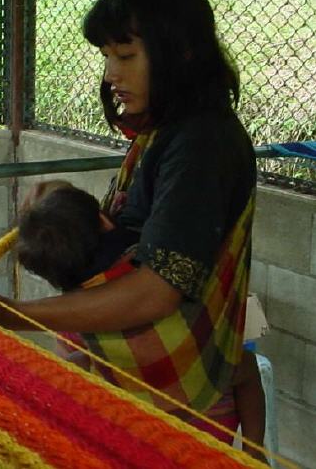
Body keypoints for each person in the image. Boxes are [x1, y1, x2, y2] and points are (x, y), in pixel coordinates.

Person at [0, 0, 264, 460]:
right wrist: (64, 199)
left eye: (126, 56)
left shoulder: (200, 145)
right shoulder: (167, 132)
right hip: (156, 397)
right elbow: (136, 228)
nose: (111, 75)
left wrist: (17, 314)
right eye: (106, 57)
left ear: (181, 51)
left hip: (179, 410)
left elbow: (156, 291)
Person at [16, 183, 266, 458]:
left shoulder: (74, 317)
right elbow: (246, 369)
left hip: (139, 440)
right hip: (201, 433)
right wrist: (253, 453)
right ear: (104, 221)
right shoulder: (166, 275)